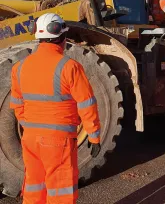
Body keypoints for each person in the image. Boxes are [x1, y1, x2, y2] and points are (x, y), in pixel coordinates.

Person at [10, 13, 101, 204]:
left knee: (34, 187)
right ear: (62, 38)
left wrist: (31, 126)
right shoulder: (70, 67)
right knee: (60, 192)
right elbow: (87, 104)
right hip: (58, 142)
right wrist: (93, 136)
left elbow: (17, 105)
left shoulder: (19, 67)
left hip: (30, 139)